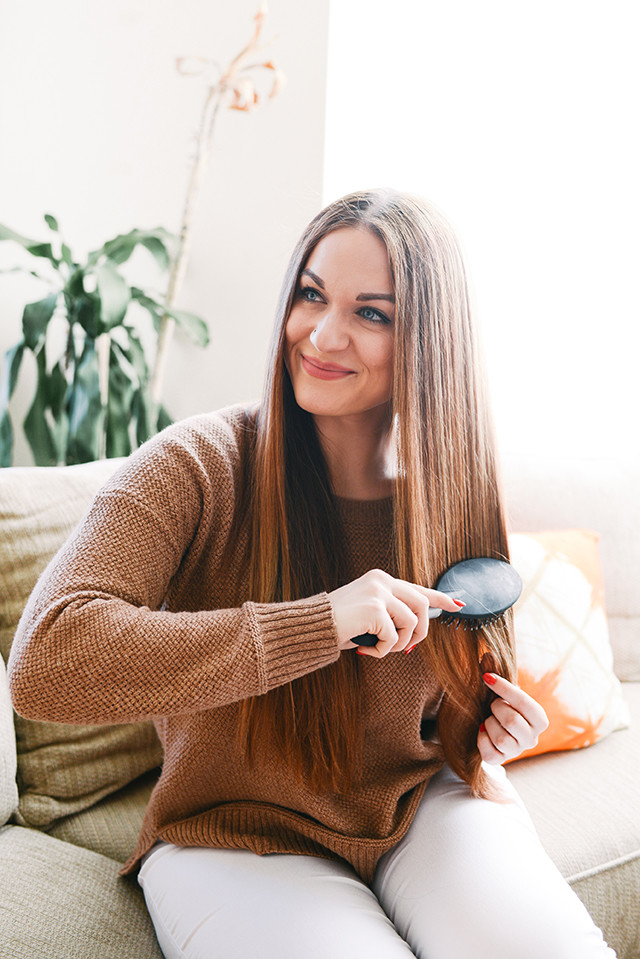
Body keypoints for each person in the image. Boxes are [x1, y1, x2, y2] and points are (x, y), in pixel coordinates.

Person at [8, 189, 616, 958]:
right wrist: (322, 619)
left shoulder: (453, 490)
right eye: (311, 294)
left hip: (416, 803)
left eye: (372, 313)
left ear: (429, 341)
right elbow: (47, 663)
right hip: (231, 833)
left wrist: (487, 731)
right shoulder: (195, 464)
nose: (322, 335)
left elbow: (442, 714)